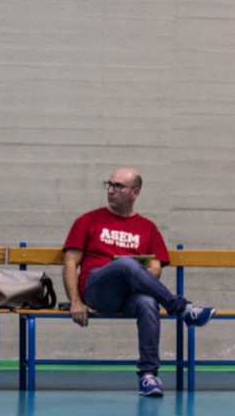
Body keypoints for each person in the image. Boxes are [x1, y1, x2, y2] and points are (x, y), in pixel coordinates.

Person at [63, 167, 216, 396]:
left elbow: (155, 269)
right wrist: (75, 301)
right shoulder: (87, 221)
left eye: (118, 186)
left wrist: (134, 275)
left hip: (129, 295)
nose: (111, 190)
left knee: (147, 302)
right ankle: (181, 308)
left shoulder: (148, 228)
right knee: (125, 263)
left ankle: (148, 375)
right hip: (97, 291)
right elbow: (70, 263)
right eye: (109, 184)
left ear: (135, 193)